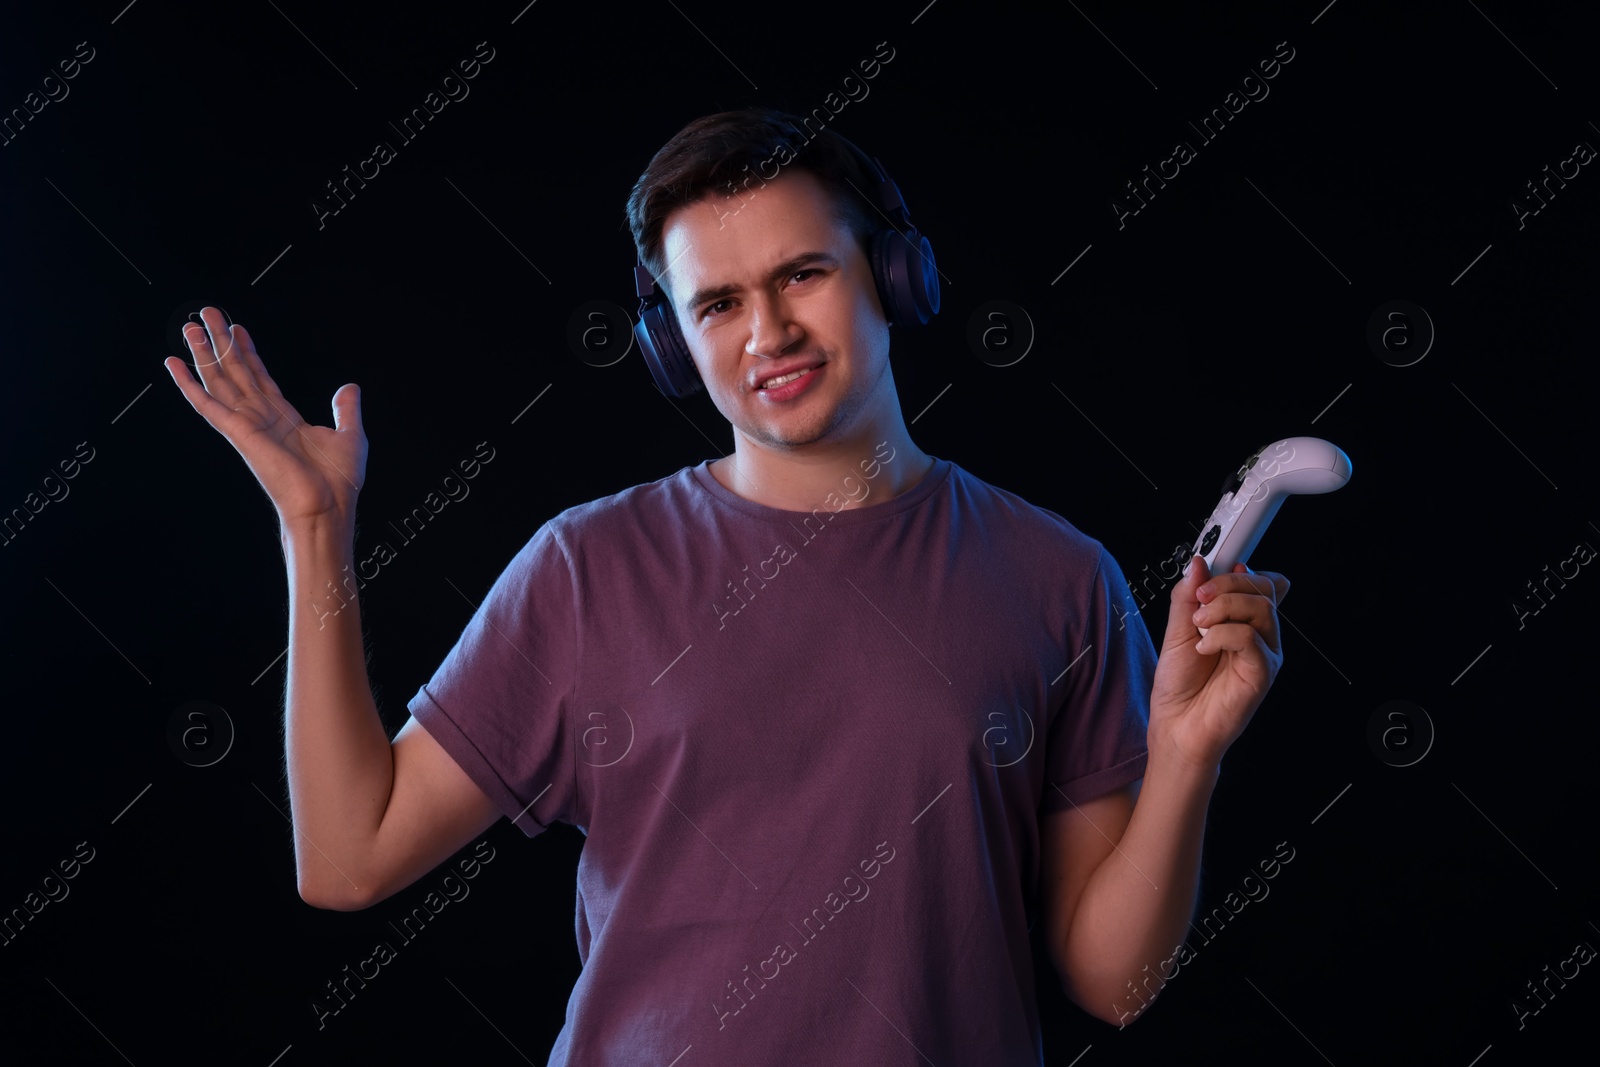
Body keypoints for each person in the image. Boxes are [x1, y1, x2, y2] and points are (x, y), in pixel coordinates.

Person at [164, 107, 1290, 1064]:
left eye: (804, 272)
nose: (769, 332)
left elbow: (1115, 981)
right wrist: (315, 527)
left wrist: (1186, 755)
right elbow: (349, 857)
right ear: (673, 344)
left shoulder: (1058, 575)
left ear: (894, 276)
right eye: (718, 303)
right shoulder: (587, 567)